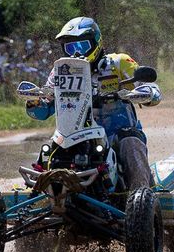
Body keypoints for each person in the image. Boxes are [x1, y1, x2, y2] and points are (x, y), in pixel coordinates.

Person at [25, 17, 162, 192]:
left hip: (117, 133)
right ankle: (36, 194)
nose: (76, 52)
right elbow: (44, 110)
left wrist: (146, 92)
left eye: (82, 46)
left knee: (131, 144)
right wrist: (35, 103)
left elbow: (148, 87)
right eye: (70, 47)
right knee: (49, 149)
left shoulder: (118, 62)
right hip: (76, 133)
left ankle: (143, 194)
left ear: (96, 42)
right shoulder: (61, 71)